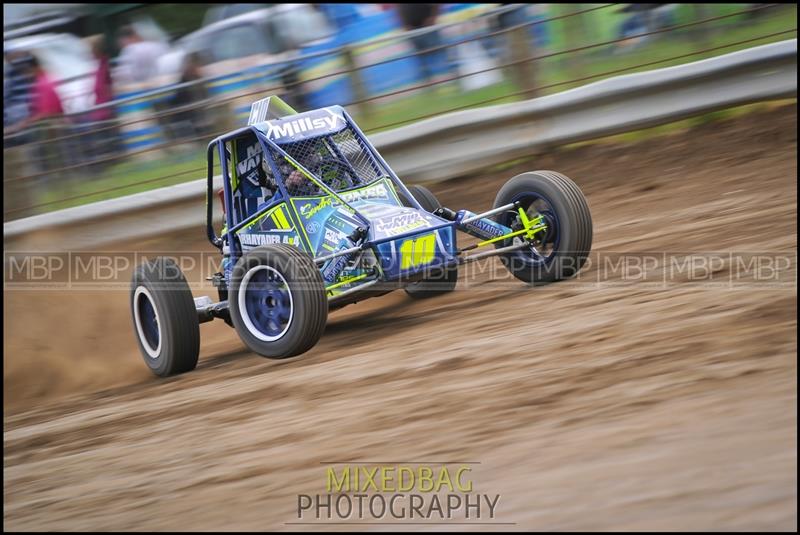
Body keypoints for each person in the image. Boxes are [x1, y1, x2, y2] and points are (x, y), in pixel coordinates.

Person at [396, 4, 450, 85]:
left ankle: (452, 76)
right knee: (420, 58)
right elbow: (399, 10)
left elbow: (437, 5)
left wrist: (432, 18)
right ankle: (428, 83)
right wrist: (405, 25)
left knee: (441, 52)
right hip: (412, 31)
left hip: (428, 28)